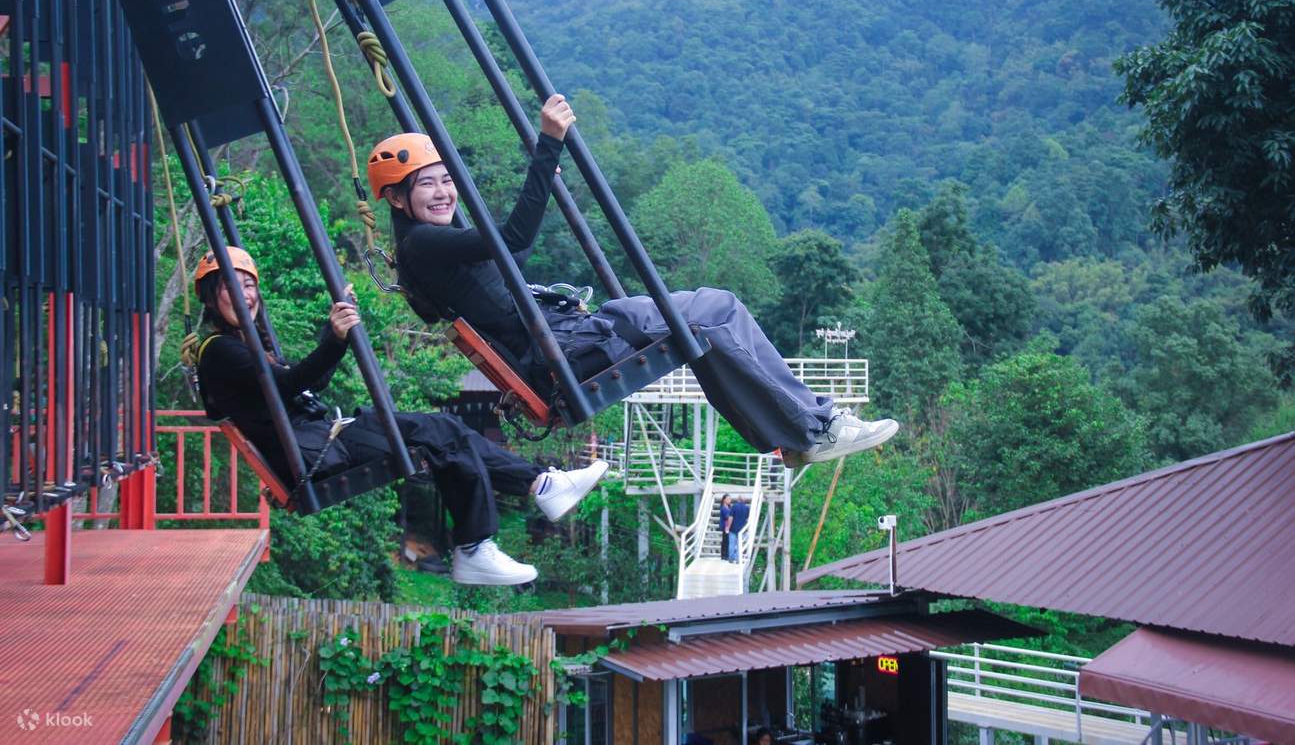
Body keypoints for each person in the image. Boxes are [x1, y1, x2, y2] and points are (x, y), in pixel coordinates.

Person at [367, 96, 899, 467]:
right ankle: (814, 428)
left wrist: (540, 181)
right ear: (396, 199)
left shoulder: (424, 246)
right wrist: (547, 145)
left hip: (562, 340)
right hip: (564, 351)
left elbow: (507, 246)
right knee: (715, 310)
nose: (443, 193)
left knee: (708, 327)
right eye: (426, 186)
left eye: (446, 181)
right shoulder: (424, 245)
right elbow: (512, 241)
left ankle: (795, 436)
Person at [191, 246, 607, 587]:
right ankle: (481, 540)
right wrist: (332, 338)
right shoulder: (222, 351)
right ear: (212, 296)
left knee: (447, 431)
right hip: (315, 453)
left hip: (318, 441)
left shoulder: (239, 346)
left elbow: (299, 385)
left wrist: (331, 343)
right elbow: (289, 385)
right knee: (443, 431)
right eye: (231, 285)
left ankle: (537, 487)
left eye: (249, 285)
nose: (244, 294)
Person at [729, 496, 750, 562]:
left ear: (738, 500)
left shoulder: (734, 506)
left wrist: (728, 527)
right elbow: (746, 518)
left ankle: (731, 558)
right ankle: (738, 559)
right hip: (742, 529)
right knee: (739, 545)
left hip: (733, 528)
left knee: (732, 544)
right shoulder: (747, 508)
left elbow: (731, 518)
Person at [719, 494, 734, 562]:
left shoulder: (729, 507)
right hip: (725, 526)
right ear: (724, 500)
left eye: (730, 499)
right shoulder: (723, 508)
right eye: (728, 499)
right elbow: (727, 517)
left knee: (727, 540)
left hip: (728, 526)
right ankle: (724, 555)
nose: (729, 500)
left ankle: (725, 555)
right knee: (725, 540)